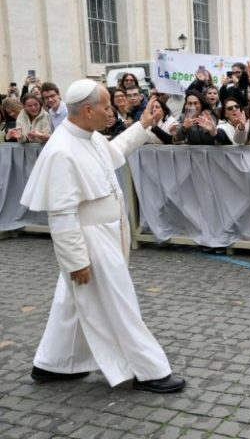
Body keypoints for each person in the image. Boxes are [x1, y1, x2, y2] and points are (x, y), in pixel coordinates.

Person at [20, 79, 185, 393]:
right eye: (106, 106)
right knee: (120, 303)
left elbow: (115, 151)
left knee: (71, 303)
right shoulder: (61, 151)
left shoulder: (88, 135)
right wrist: (76, 261)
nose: (111, 112)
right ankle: (149, 370)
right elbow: (61, 214)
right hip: (90, 242)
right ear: (87, 110)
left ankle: (52, 363)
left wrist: (143, 125)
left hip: (105, 235)